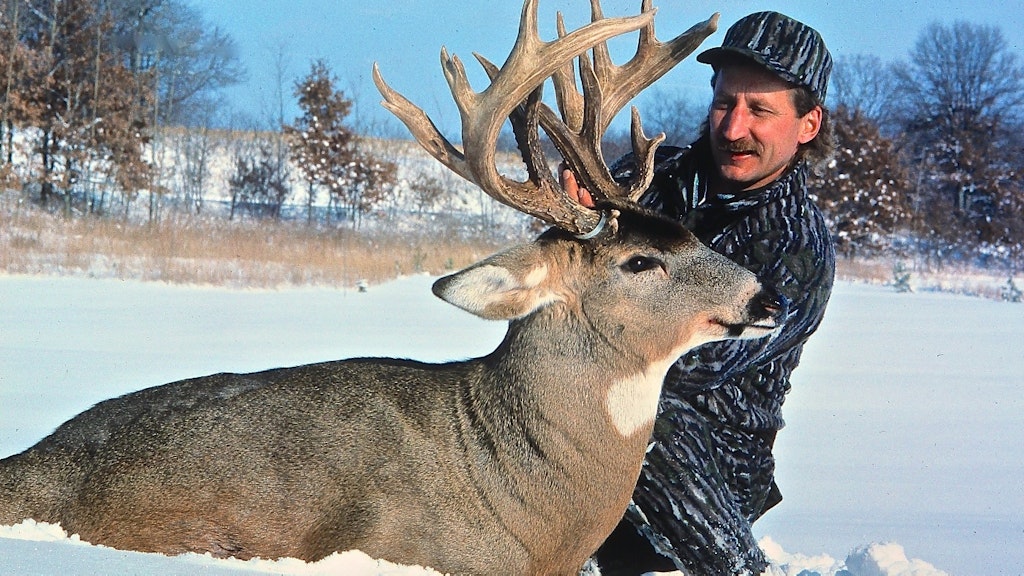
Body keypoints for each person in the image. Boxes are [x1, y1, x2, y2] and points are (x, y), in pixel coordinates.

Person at [562, 11, 837, 575]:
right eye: (724, 103)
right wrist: (577, 224)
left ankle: (738, 568)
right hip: (585, 429)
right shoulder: (647, 179)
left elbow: (692, 361)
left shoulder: (797, 246)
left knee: (642, 403)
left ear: (807, 124)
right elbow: (568, 286)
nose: (734, 129)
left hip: (710, 466)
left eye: (760, 110)